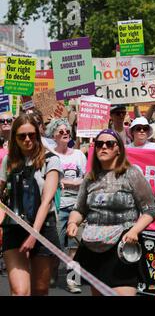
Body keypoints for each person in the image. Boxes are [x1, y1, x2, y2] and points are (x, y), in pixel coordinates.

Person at [67, 129, 155, 296]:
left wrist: (134, 231)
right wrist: (73, 222)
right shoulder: (90, 178)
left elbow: (149, 210)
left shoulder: (132, 173)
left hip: (122, 247)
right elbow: (79, 209)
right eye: (99, 144)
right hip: (93, 246)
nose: (104, 147)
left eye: (109, 144)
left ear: (119, 149)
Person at [0, 114, 63, 295]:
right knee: (20, 291)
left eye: (32, 135)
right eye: (22, 136)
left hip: (42, 228)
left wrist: (34, 235)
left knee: (40, 290)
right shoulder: (9, 160)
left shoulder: (51, 159)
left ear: (38, 134)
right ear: (15, 138)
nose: (27, 139)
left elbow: (47, 201)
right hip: (14, 227)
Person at [45, 118, 87, 294]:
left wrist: (66, 181)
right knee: (55, 244)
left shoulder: (79, 154)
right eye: (61, 131)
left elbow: (84, 180)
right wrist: (71, 182)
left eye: (67, 131)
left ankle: (72, 280)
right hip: (58, 206)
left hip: (76, 206)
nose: (65, 133)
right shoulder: (50, 156)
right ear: (53, 135)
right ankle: (52, 272)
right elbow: (51, 181)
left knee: (74, 245)